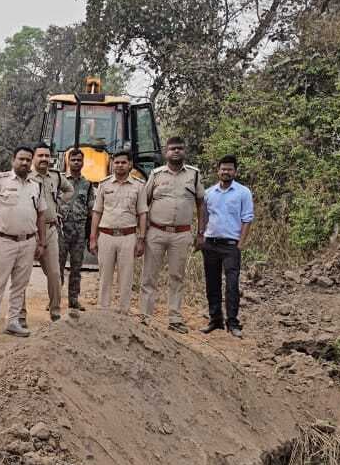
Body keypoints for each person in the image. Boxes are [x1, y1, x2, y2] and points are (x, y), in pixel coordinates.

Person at [0, 145, 45, 341]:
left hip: (28, 242)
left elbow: (41, 214)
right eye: (21, 159)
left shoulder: (35, 184)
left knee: (20, 285)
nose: (24, 162)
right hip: (5, 241)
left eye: (27, 159)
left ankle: (13, 322)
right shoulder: (0, 180)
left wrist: (41, 243)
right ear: (13, 160)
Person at [138, 136, 205, 332]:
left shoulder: (193, 175)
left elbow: (201, 204)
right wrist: (141, 234)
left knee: (177, 276)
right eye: (172, 149)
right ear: (165, 152)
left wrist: (201, 232)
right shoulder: (156, 175)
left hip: (181, 235)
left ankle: (175, 318)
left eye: (180, 148)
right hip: (156, 233)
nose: (176, 151)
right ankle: (145, 317)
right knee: (149, 276)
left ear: (185, 151)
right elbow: (144, 203)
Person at [199, 155, 255, 338]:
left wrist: (241, 243)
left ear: (235, 172)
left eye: (230, 169)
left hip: (231, 246)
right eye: (223, 169)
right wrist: (201, 237)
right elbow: (204, 216)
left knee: (232, 285)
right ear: (218, 171)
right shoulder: (209, 193)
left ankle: (233, 322)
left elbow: (247, 218)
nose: (226, 172)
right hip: (211, 243)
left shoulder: (243, 192)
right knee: (212, 284)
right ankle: (215, 320)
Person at [88, 150, 146, 313]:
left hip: (128, 237)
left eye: (123, 162)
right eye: (117, 162)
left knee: (126, 277)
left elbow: (142, 213)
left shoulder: (138, 186)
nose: (119, 165)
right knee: (105, 276)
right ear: (112, 164)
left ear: (130, 165)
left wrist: (141, 239)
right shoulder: (104, 184)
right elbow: (97, 212)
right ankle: (103, 310)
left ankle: (124, 311)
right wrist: (93, 237)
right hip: (106, 236)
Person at [30, 143, 74, 322]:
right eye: (40, 156)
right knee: (22, 275)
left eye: (47, 156)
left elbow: (70, 190)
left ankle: (55, 312)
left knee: (55, 273)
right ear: (33, 157)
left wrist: (57, 204)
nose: (44, 159)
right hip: (29, 231)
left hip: (49, 229)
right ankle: (20, 315)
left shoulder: (55, 176)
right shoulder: (26, 176)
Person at [58, 147, 93, 318]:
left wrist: (90, 234)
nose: (76, 163)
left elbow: (91, 208)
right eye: (73, 160)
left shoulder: (87, 184)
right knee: (58, 267)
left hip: (79, 230)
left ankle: (73, 299)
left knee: (76, 267)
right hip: (62, 229)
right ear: (68, 161)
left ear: (83, 162)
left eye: (79, 160)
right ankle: (55, 299)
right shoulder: (60, 180)